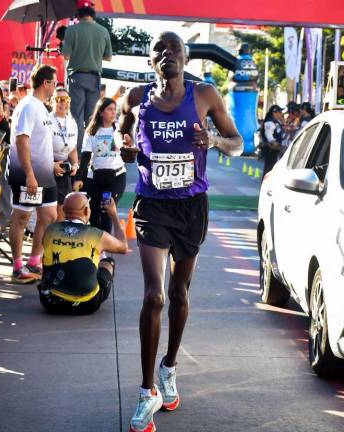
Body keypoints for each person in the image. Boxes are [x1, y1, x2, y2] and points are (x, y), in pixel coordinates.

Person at [118, 31, 242, 432]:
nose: (167, 53)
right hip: (152, 204)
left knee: (178, 292)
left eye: (175, 49)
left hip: (191, 207)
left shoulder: (204, 94)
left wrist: (214, 141)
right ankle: (146, 390)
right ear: (150, 59)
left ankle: (169, 366)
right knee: (153, 296)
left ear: (185, 57)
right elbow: (122, 130)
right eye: (160, 49)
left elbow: (238, 143)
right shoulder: (136, 99)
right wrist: (124, 146)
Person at [7, 64, 59, 283]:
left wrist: (52, 164)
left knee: (49, 216)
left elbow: (41, 142)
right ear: (46, 83)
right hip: (28, 174)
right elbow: (22, 140)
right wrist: (29, 173)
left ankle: (33, 261)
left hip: (45, 174)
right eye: (55, 83)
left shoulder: (41, 107)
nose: (56, 88)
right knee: (22, 217)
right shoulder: (28, 105)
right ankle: (17, 267)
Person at [38, 192, 129, 314]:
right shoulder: (97, 234)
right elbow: (123, 247)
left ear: (64, 210)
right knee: (107, 263)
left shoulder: (51, 229)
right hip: (86, 305)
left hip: (49, 303)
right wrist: (113, 215)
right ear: (86, 211)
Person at [61, 0, 112, 153]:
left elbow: (66, 55)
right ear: (92, 12)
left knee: (75, 118)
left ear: (78, 12)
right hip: (95, 78)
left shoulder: (71, 30)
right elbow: (108, 57)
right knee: (93, 119)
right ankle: (95, 154)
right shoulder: (103, 31)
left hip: (76, 78)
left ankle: (76, 157)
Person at [77, 97, 126, 233]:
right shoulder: (92, 132)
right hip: (95, 177)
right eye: (109, 109)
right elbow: (86, 156)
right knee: (93, 215)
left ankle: (104, 250)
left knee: (106, 210)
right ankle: (94, 249)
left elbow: (126, 146)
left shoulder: (118, 130)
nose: (113, 112)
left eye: (114, 109)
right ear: (101, 112)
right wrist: (79, 178)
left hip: (116, 176)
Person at [50, 87, 79, 220]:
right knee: (48, 212)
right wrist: (51, 164)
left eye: (67, 99)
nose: (64, 102)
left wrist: (75, 164)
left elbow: (72, 148)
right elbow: (38, 147)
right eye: (60, 99)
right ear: (52, 102)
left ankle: (55, 238)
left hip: (63, 169)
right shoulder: (47, 120)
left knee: (62, 209)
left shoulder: (72, 123)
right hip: (47, 168)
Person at [258, 104, 284, 177]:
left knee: (272, 168)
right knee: (269, 169)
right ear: (274, 112)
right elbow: (269, 135)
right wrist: (274, 143)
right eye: (279, 112)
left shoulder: (276, 121)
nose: (281, 114)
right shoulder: (269, 122)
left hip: (275, 149)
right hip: (271, 149)